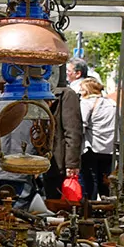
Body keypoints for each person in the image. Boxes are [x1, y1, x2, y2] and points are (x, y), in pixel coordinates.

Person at [45, 69, 83, 200]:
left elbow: (73, 131)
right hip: (40, 160)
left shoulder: (67, 95)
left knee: (56, 202)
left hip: (57, 162)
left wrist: (72, 164)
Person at [78, 78, 118, 200]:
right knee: (105, 181)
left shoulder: (86, 103)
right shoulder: (112, 103)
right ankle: (108, 209)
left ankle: (90, 210)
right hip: (109, 149)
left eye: (81, 89)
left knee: (91, 181)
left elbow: (82, 124)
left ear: (86, 90)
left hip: (92, 147)